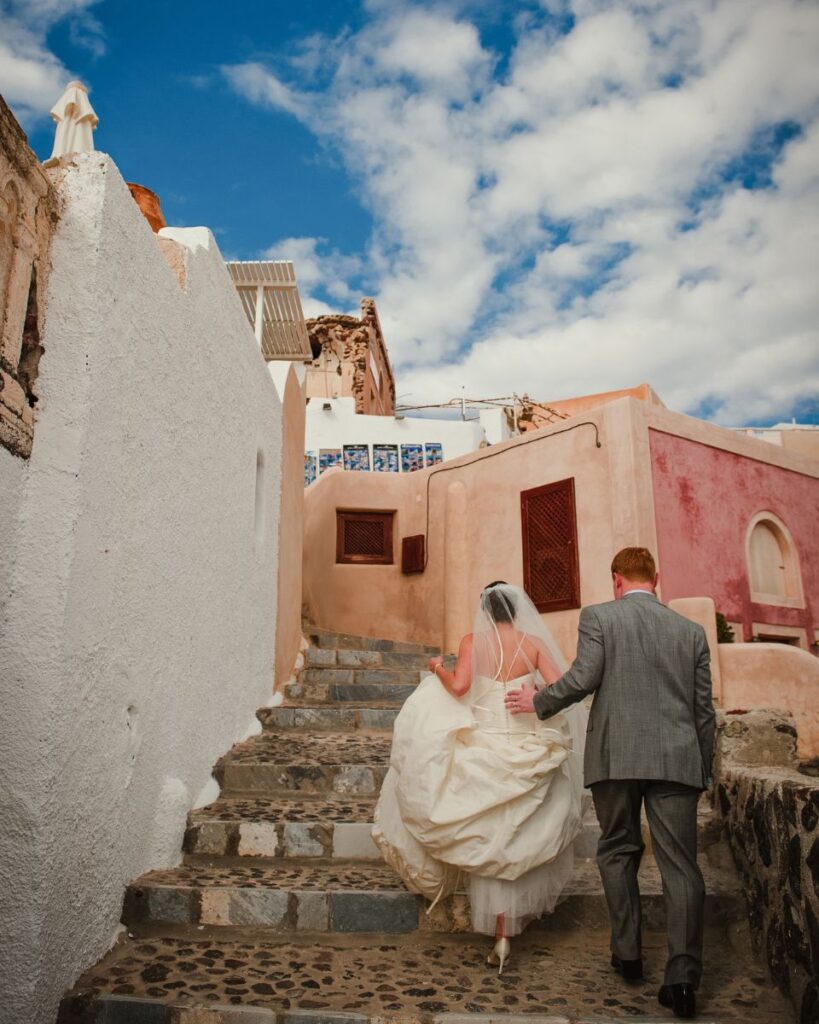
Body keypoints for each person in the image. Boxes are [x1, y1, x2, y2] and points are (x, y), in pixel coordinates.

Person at [506, 547, 715, 1021]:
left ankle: (629, 956)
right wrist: (703, 768)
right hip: (678, 759)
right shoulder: (692, 632)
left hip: (616, 756)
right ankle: (683, 980)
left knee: (618, 850)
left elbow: (583, 678)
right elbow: (705, 711)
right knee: (682, 867)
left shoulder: (599, 616)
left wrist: (538, 700)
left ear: (616, 579)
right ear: (656, 578)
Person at [372, 581, 588, 974]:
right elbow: (561, 687)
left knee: (490, 836)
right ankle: (505, 933)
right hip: (526, 747)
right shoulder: (534, 643)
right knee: (512, 837)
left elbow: (459, 687)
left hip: (486, 747)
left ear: (486, 610)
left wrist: (436, 666)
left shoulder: (473, 641)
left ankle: (499, 938)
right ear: (517, 610)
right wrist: (535, 694)